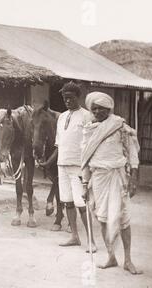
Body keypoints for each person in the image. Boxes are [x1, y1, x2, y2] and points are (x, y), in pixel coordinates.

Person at [82, 92, 142, 275]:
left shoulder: (120, 126)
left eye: (101, 108)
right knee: (102, 218)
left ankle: (128, 260)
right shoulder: (89, 129)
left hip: (117, 176)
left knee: (123, 219)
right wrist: (85, 184)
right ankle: (111, 256)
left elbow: (132, 154)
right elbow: (85, 159)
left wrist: (133, 178)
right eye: (94, 108)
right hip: (98, 178)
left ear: (109, 109)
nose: (98, 111)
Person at [54, 82, 96, 251]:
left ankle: (91, 242)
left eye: (70, 98)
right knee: (68, 202)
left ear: (78, 97)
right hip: (62, 164)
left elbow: (92, 144)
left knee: (82, 204)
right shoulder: (62, 117)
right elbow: (59, 144)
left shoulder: (87, 116)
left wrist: (90, 168)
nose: (68, 101)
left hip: (79, 166)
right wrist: (49, 162)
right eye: (65, 99)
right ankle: (74, 236)